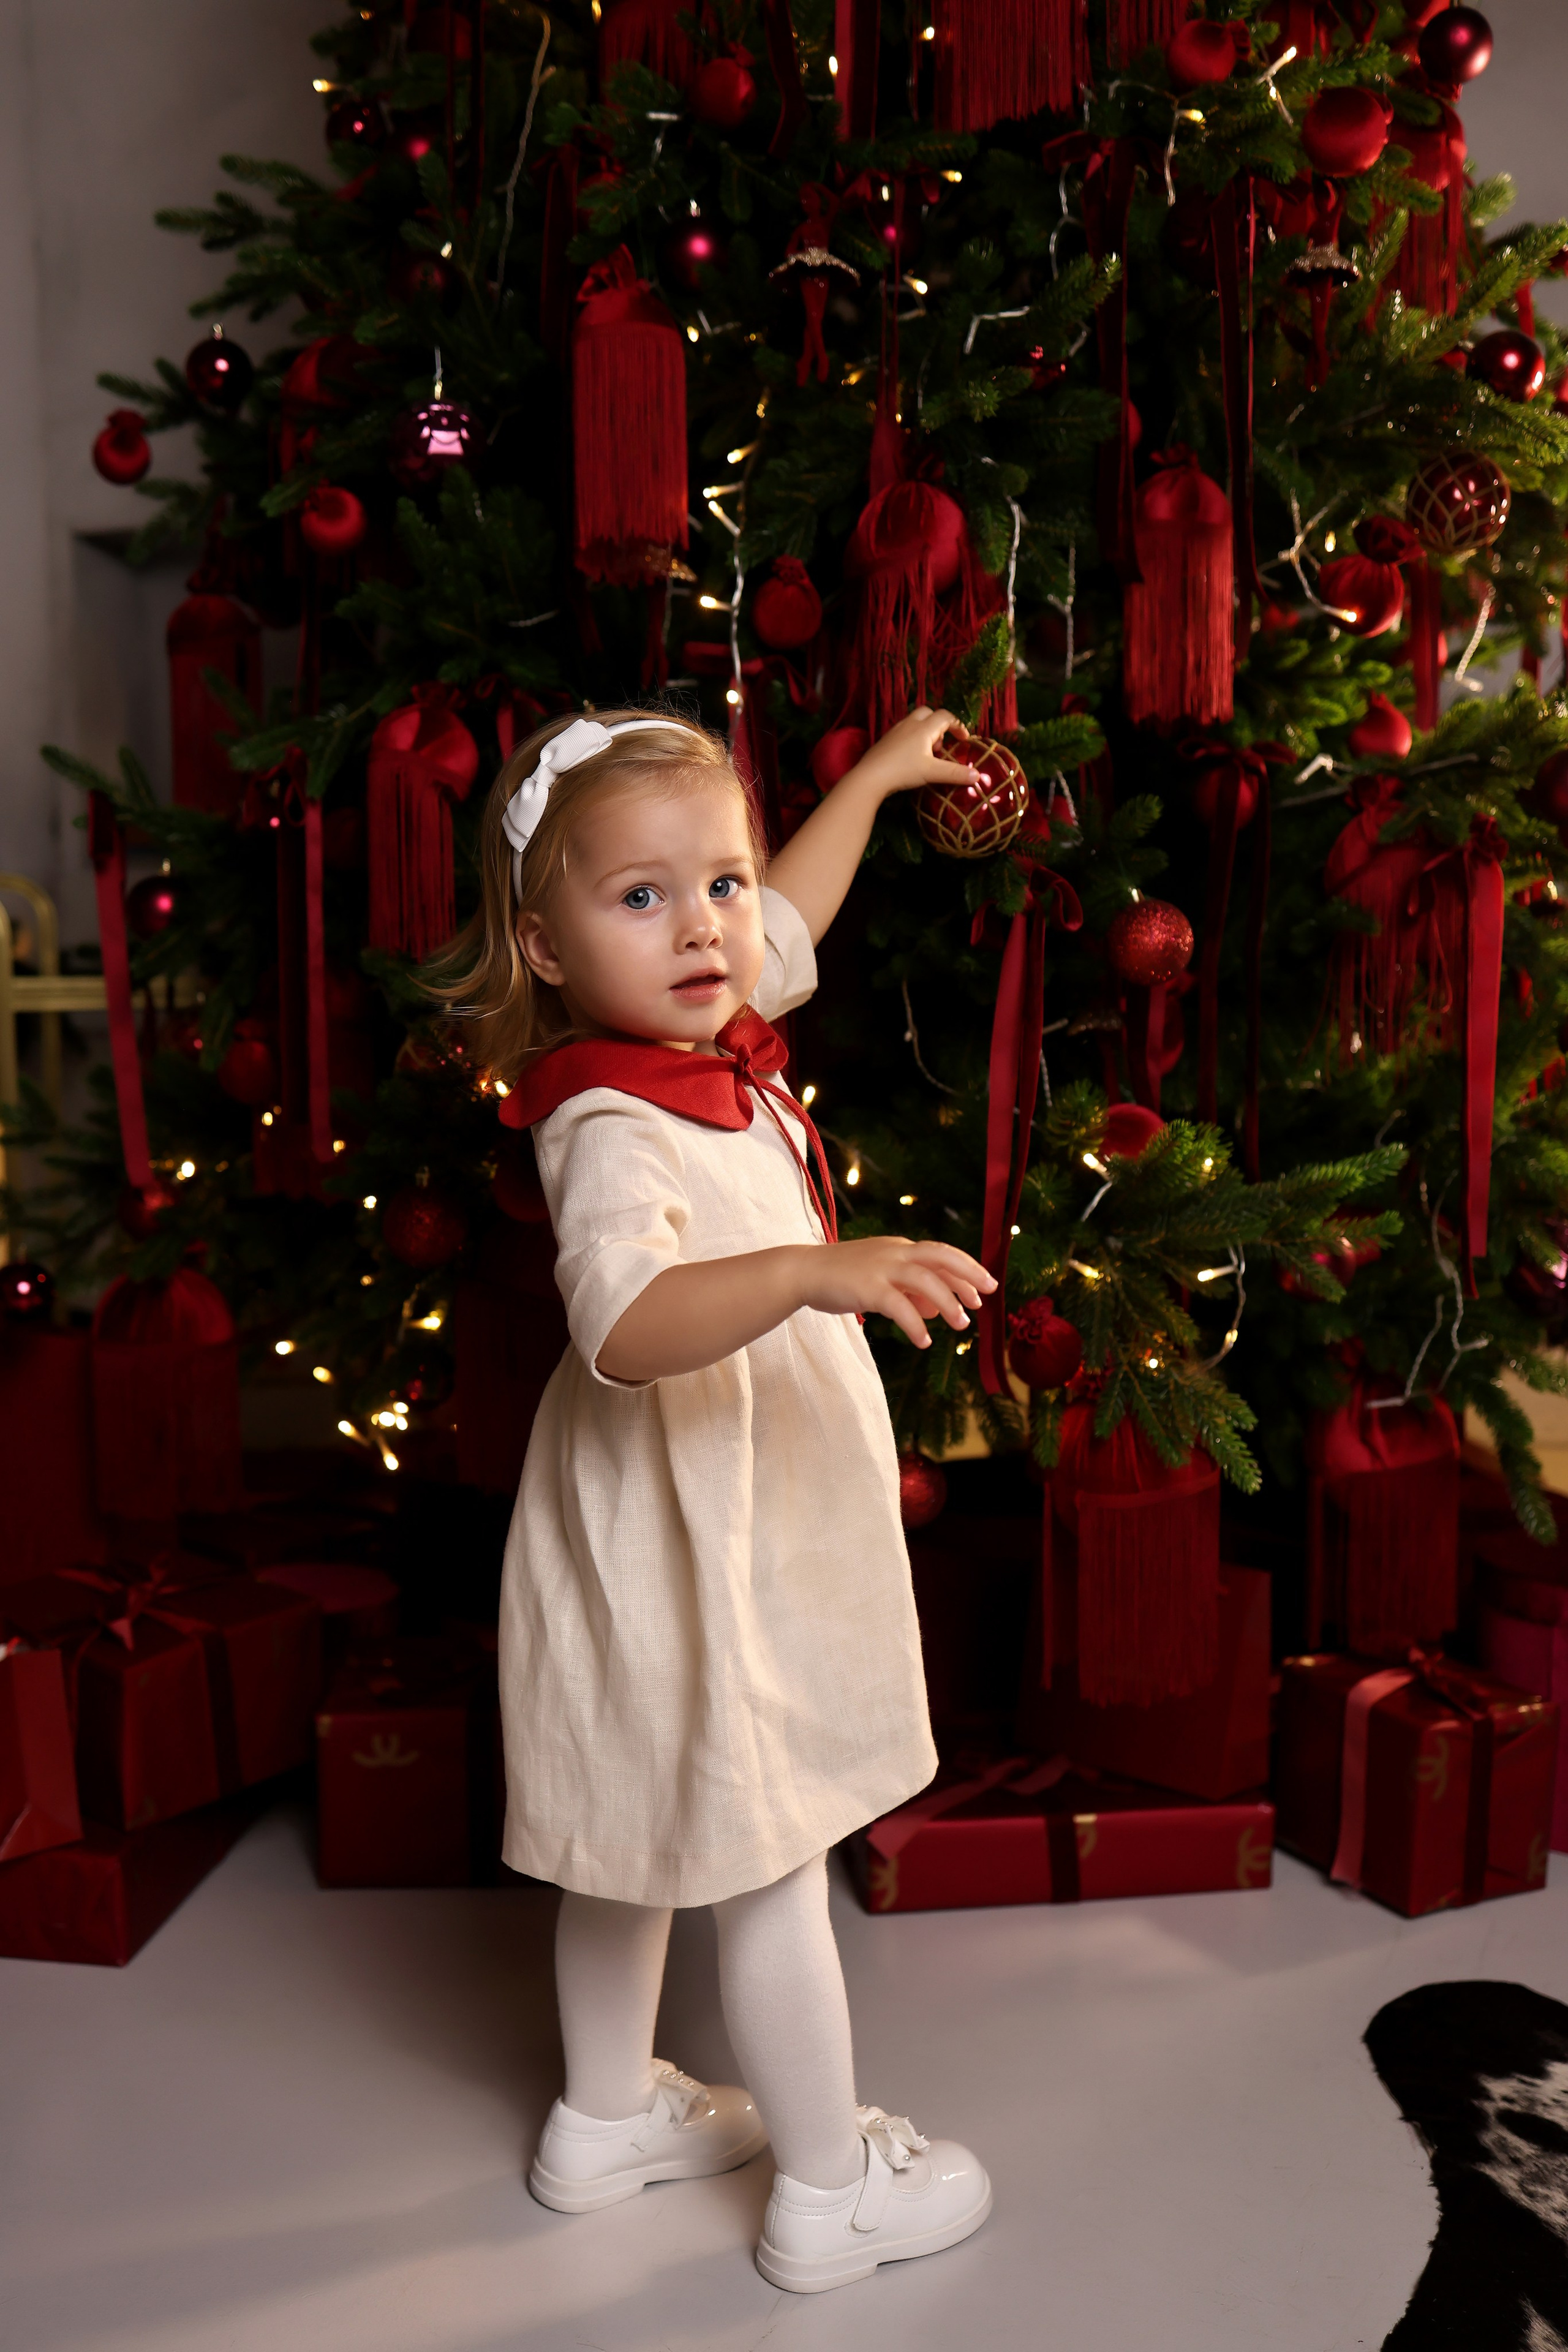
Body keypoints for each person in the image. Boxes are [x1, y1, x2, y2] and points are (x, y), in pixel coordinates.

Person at [431, 702, 996, 2294]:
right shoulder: (609, 1117)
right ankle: (829, 2193)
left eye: (722, 884)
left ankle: (604, 2116)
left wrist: (876, 780)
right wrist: (818, 1268)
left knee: (628, 1833)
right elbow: (620, 1327)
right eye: (643, 898)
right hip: (690, 1528)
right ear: (543, 947)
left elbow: (792, 912)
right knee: (770, 1849)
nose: (709, 926)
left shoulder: (714, 1024)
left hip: (701, 1508)